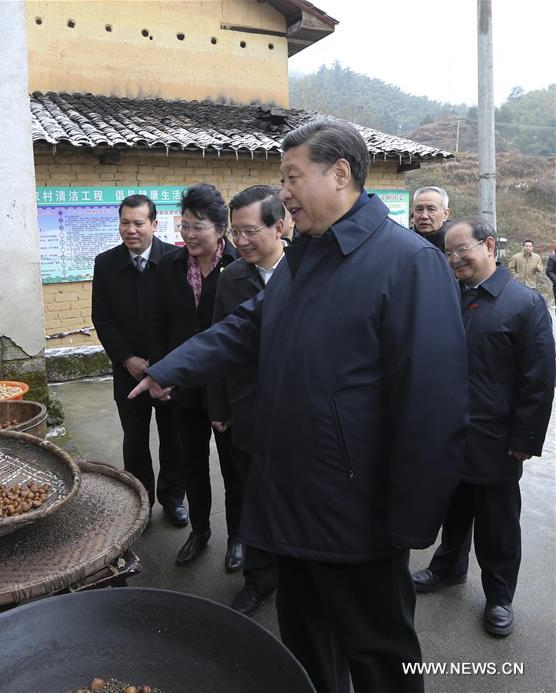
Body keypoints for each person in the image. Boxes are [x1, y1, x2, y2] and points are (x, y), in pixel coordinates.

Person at [131, 119, 467, 693]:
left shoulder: (407, 263)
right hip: (291, 500)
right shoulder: (307, 255)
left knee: (379, 658)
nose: (282, 191)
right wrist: (171, 368)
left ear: (340, 175)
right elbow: (246, 328)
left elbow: (433, 408)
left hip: (358, 516)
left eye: (292, 177)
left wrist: (409, 523)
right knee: (307, 652)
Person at [412, 217, 554, 637]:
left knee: (497, 526)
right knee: (452, 510)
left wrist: (526, 437)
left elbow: (539, 378)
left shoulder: (523, 304)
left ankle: (499, 597)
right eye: (448, 252)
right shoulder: (447, 296)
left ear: (489, 246)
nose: (454, 259)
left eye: (462, 250)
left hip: (496, 439)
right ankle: (448, 568)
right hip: (448, 434)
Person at [149, 183, 241, 568]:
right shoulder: (169, 266)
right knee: (191, 463)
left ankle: (239, 537)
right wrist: (163, 372)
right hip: (184, 386)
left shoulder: (238, 267)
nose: (188, 234)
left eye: (198, 226)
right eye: (183, 225)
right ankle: (199, 530)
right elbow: (158, 325)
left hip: (225, 387)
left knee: (234, 467)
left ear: (220, 229)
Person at [91, 194, 187, 527]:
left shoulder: (176, 259)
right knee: (134, 441)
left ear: (154, 224)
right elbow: (102, 319)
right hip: (127, 371)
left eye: (138, 223)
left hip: (168, 372)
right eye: (125, 223)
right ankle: (140, 501)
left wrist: (163, 365)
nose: (130, 230)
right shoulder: (105, 264)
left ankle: (173, 499)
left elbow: (181, 319)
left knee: (173, 439)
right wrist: (127, 358)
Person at [208, 185, 282, 615]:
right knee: (252, 497)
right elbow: (218, 343)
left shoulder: (307, 271)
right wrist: (219, 408)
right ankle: (258, 580)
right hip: (248, 410)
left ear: (280, 226)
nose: (241, 241)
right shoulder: (231, 277)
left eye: (250, 231)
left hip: (298, 415)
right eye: (235, 233)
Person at [410, 185, 451, 251]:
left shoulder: (456, 243)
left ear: (445, 214)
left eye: (431, 209)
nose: (424, 216)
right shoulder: (403, 242)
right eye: (419, 209)